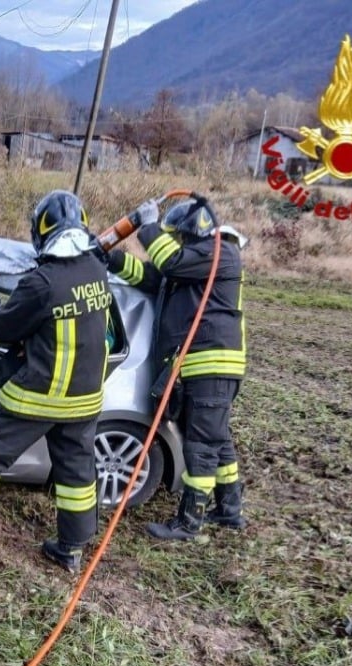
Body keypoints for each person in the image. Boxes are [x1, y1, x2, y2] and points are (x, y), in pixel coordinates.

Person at [0, 190, 111, 573]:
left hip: (39, 396)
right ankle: (71, 549)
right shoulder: (96, 271)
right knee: (77, 474)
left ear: (41, 231)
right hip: (84, 399)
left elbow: (3, 329)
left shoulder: (42, 282)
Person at [105, 197, 248, 540]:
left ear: (192, 233)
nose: (177, 242)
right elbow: (151, 276)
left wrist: (150, 226)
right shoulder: (190, 265)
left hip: (210, 365)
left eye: (179, 237)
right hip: (199, 367)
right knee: (216, 439)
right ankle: (229, 510)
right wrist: (109, 257)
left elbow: (169, 261)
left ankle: (189, 523)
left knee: (199, 445)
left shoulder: (218, 253)